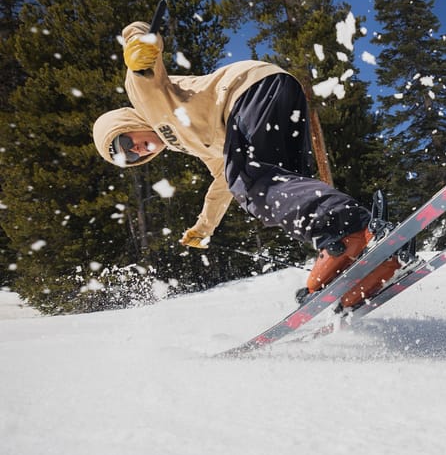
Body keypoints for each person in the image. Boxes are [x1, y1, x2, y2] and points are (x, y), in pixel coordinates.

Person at [92, 21, 399, 307]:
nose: (135, 150)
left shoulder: (148, 102)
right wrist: (203, 227)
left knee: (256, 184)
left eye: (124, 142)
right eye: (127, 157)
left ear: (126, 121)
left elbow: (141, 64)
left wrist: (137, 43)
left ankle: (349, 229)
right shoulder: (187, 141)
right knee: (286, 187)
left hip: (249, 93)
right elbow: (222, 184)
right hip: (277, 93)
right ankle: (358, 259)